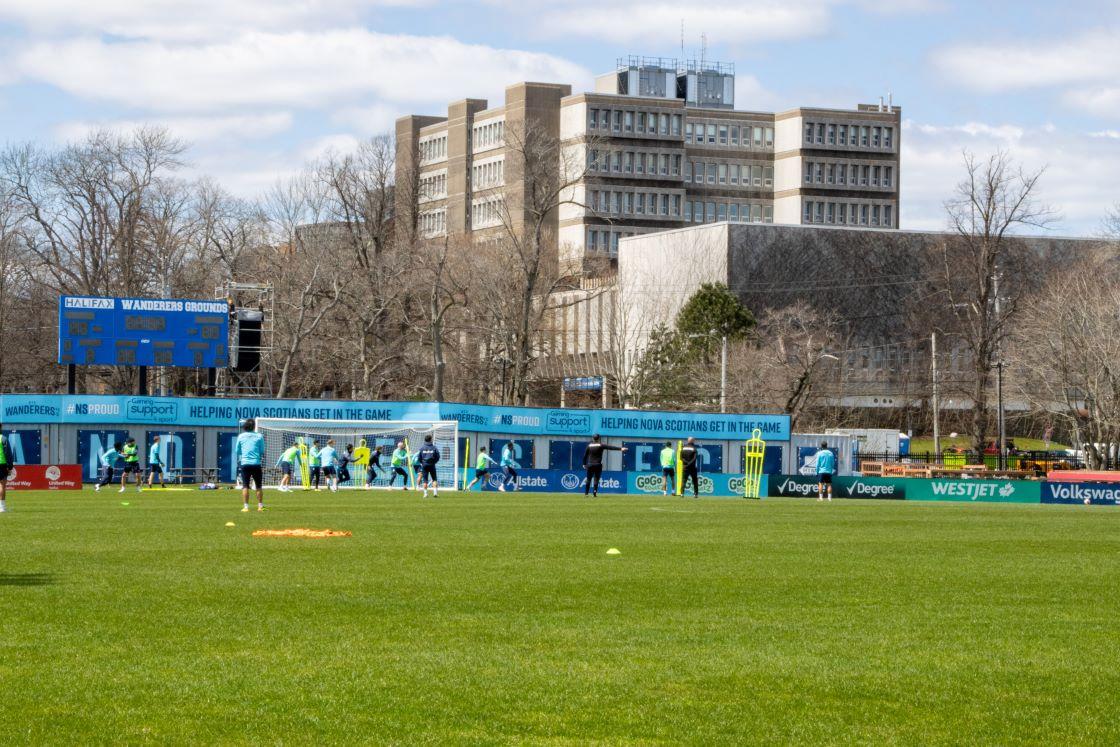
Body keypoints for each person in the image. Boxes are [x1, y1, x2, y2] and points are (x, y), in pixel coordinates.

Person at [235, 418, 266, 512]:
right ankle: (260, 506)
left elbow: (237, 451)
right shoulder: (259, 436)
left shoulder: (241, 436)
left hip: (245, 464)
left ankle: (246, 507)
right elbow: (262, 451)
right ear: (254, 426)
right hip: (256, 463)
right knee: (258, 486)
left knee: (245, 486)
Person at [0, 427, 13, 512]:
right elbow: (8, 453)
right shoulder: (3, 438)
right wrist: (10, 466)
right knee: (2, 485)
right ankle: (2, 508)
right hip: (2, 464)